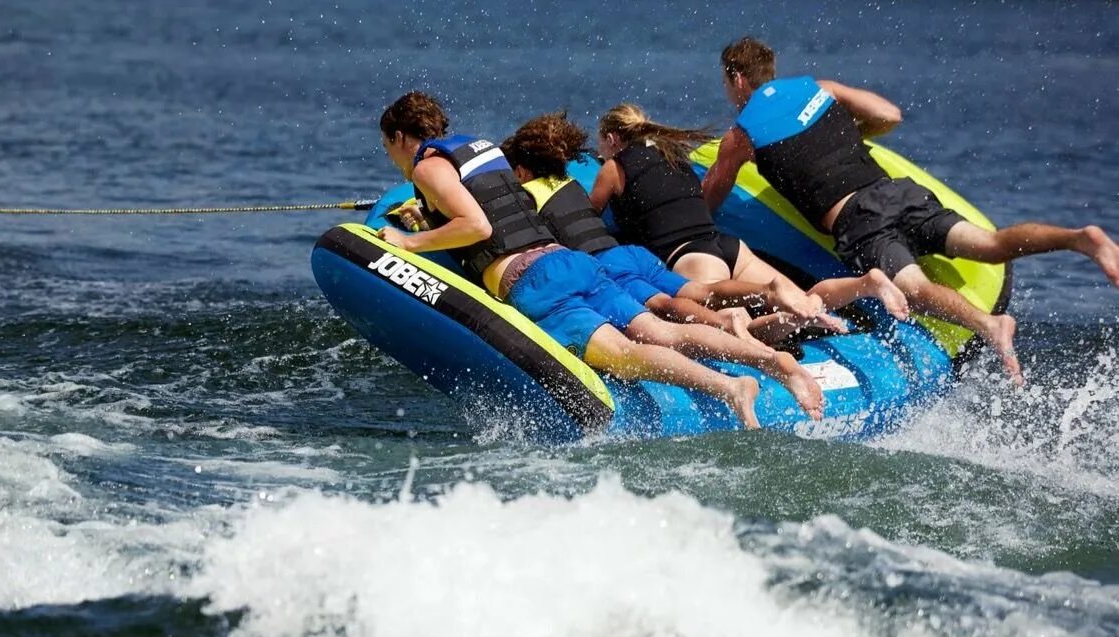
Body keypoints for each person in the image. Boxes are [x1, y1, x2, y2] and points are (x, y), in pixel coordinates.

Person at [705, 37, 1119, 385]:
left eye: (726, 83)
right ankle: (1080, 239)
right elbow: (889, 115)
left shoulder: (740, 136)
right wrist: (845, 133)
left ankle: (989, 325)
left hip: (859, 220)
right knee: (989, 244)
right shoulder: (820, 88)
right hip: (895, 190)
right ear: (770, 69)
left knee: (913, 291)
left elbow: (712, 197)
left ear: (737, 79)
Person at [375, 91, 797, 428]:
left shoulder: (426, 168)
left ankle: (728, 387)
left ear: (399, 137)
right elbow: (496, 209)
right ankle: (769, 360)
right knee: (663, 333)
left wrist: (408, 242)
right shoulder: (483, 149)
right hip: (570, 261)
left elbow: (479, 227)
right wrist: (425, 217)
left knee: (625, 355)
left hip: (534, 279)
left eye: (386, 146)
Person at [592, 104, 910, 330]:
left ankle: (794, 320)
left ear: (611, 139)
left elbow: (590, 214)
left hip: (690, 257)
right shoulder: (675, 156)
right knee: (803, 298)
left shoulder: (613, 167)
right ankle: (866, 283)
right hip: (727, 245)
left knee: (729, 328)